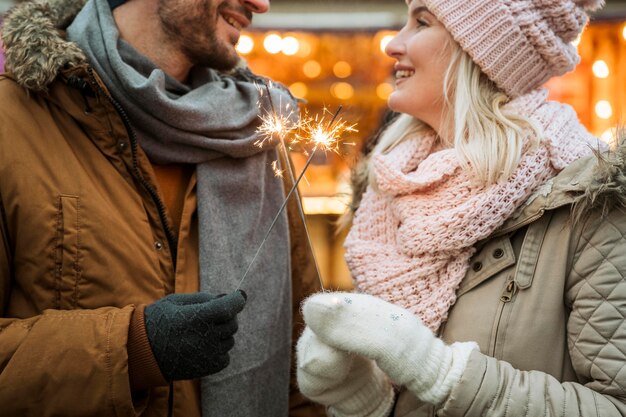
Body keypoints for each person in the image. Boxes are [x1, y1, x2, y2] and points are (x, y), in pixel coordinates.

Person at [296, 0, 626, 416]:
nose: (393, 44)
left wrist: (443, 374)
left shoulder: (589, 204)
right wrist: (360, 399)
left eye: (422, 22)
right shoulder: (395, 189)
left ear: (480, 54)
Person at [0, 0, 325, 415]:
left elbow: (303, 370)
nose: (260, 3)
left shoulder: (252, 133)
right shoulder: (11, 122)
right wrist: (132, 349)